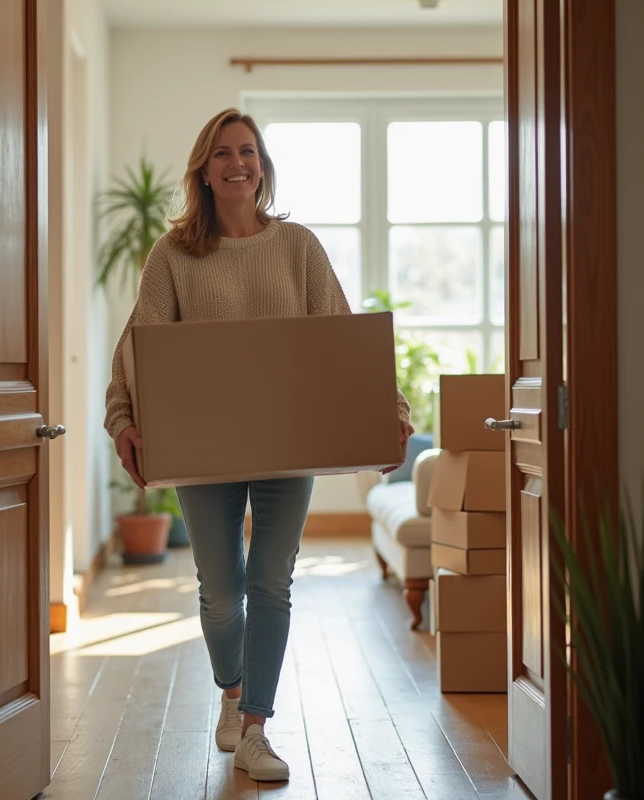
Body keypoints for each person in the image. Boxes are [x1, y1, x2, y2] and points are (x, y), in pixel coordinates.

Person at [104, 108, 413, 783]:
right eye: (222, 153)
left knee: (272, 583)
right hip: (203, 447)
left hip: (288, 441)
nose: (237, 163)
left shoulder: (298, 246)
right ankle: (232, 689)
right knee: (221, 593)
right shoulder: (173, 255)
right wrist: (121, 418)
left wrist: (388, 413)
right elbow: (138, 344)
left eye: (247, 151)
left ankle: (255, 729)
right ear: (203, 171)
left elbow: (340, 335)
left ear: (262, 166)